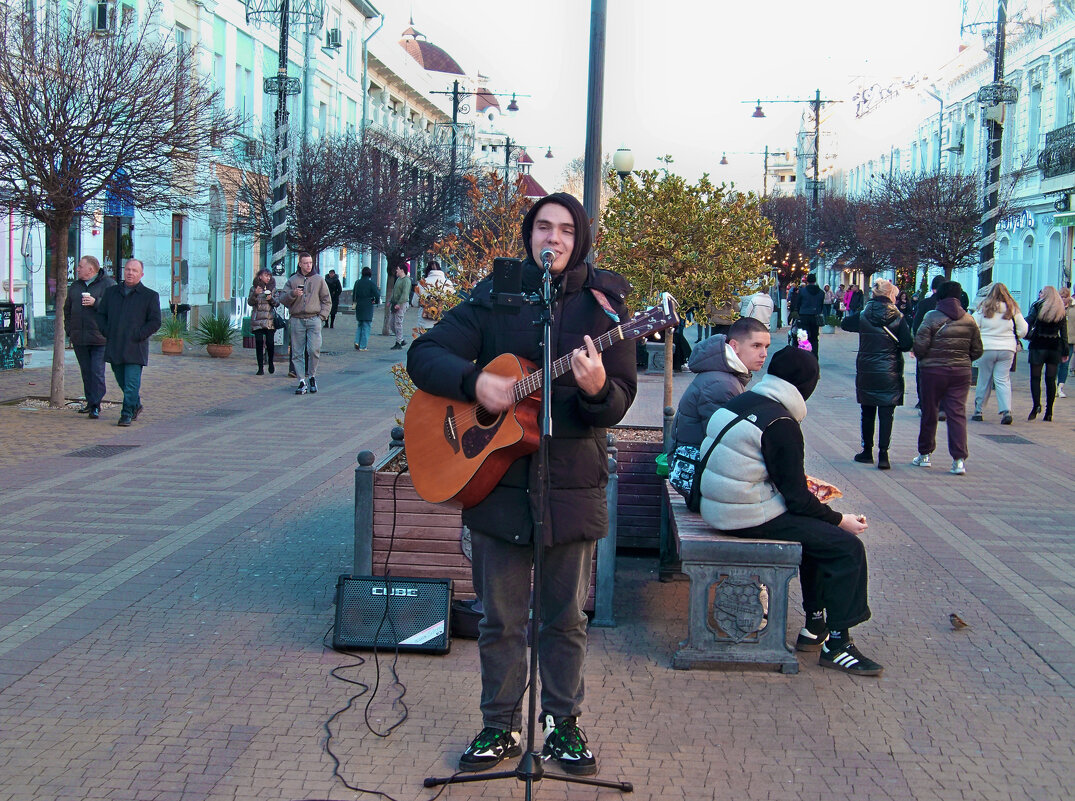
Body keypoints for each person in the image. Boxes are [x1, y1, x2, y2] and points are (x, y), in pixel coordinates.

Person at [407, 192, 637, 775]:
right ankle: (499, 725)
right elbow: (424, 354)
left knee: (566, 618)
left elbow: (617, 404)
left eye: (564, 229)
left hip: (572, 486)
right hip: (497, 487)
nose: (552, 238)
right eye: (542, 227)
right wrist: (473, 382)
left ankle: (562, 724)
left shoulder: (606, 310)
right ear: (529, 235)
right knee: (500, 618)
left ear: (579, 239)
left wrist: (594, 389)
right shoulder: (494, 297)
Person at [697, 346, 881, 676]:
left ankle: (814, 626)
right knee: (845, 548)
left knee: (816, 535)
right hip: (742, 515)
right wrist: (841, 520)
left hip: (720, 505)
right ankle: (838, 644)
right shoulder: (781, 422)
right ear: (805, 386)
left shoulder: (744, 401)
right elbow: (795, 498)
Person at [668, 317, 771, 455]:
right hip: (697, 470)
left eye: (766, 347)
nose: (764, 354)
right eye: (756, 346)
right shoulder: (722, 384)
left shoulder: (726, 375)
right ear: (734, 346)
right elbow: (723, 441)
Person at [911, 281, 983, 474]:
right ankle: (959, 460)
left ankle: (925, 455)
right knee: (957, 413)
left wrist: (926, 356)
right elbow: (977, 350)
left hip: (933, 371)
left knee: (930, 412)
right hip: (960, 372)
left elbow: (920, 346)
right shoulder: (969, 319)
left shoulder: (931, 317)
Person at [840, 279, 912, 470]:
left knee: (868, 411)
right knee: (887, 413)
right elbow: (906, 344)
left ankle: (866, 451)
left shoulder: (864, 315)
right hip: (889, 369)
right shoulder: (899, 317)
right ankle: (884, 454)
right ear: (890, 295)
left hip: (867, 369)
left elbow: (845, 323)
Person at [95, 259, 161, 426]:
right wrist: (107, 331)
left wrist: (139, 334)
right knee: (122, 381)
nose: (130, 273)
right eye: (128, 269)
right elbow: (101, 315)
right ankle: (136, 404)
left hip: (135, 347)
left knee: (132, 383)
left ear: (141, 274)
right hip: (115, 345)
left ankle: (126, 413)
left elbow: (155, 322)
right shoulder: (111, 293)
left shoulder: (149, 296)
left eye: (134, 271)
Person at [64, 255, 116, 419]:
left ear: (91, 269)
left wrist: (96, 302)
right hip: (79, 337)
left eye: (80, 266)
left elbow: (115, 307)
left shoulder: (108, 284)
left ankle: (96, 404)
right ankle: (90, 402)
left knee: (96, 372)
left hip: (100, 338)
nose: (77, 269)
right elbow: (67, 310)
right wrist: (69, 330)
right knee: (86, 372)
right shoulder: (75, 286)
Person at [971, 282, 1027, 425]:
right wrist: (1014, 337)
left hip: (987, 347)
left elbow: (973, 326)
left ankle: (979, 410)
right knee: (1003, 379)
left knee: (984, 378)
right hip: (1007, 348)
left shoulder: (983, 308)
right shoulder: (1012, 309)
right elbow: (1023, 329)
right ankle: (1006, 410)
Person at [282, 252, 330, 395]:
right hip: (297, 319)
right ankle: (301, 381)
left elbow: (327, 300)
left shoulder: (319, 280)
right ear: (300, 264)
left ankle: (312, 377)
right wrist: (292, 294)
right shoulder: (292, 280)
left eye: (310, 262)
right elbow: (282, 299)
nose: (309, 265)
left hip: (314, 318)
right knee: (297, 352)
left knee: (314, 349)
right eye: (306, 263)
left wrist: (322, 317)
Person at [1024, 285, 1070, 421]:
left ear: (1044, 294)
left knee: (1035, 378)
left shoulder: (1038, 306)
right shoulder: (1060, 309)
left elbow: (1027, 321)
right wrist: (1065, 350)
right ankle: (1049, 411)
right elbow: (1064, 333)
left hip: (1038, 345)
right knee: (1050, 380)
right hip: (1054, 346)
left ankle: (1036, 405)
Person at [911, 275, 949, 412]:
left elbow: (916, 326)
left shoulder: (925, 304)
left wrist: (917, 342)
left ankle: (923, 401)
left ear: (933, 289)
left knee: (922, 374)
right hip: (944, 345)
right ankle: (942, 404)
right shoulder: (951, 306)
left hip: (926, 345)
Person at [247, 269, 279, 375]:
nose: (268, 277)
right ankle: (260, 367)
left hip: (269, 320)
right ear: (260, 276)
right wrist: (255, 294)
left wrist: (271, 299)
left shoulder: (273, 288)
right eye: (266, 275)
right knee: (259, 343)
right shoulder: (254, 288)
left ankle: (270, 362)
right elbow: (250, 302)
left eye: (269, 275)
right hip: (258, 320)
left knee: (270, 343)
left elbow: (277, 303)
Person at [413, 260, 453, 331]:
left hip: (424, 323)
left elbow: (415, 303)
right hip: (443, 322)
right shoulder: (448, 283)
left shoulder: (422, 283)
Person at [796, 274, 825, 358]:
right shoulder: (821, 292)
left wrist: (798, 313)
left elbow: (798, 303)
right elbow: (821, 305)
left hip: (804, 315)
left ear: (807, 281)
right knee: (815, 337)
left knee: (804, 337)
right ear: (815, 281)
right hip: (815, 316)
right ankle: (814, 356)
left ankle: (805, 356)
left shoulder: (802, 291)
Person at [351, 267, 379, 351]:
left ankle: (357, 341)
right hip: (367, 305)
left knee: (360, 324)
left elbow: (354, 295)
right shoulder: (371, 283)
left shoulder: (357, 282)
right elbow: (377, 295)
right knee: (366, 325)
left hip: (359, 305)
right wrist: (376, 301)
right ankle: (363, 346)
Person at [388, 263, 411, 350]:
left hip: (402, 304)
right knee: (391, 323)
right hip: (395, 303)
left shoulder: (406, 280)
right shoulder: (398, 279)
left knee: (398, 323)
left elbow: (405, 294)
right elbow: (395, 292)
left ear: (402, 270)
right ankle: (401, 339)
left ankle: (398, 343)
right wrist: (390, 301)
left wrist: (399, 303)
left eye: (397, 269)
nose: (396, 271)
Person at [1059, 286, 1075, 397]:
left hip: (1069, 340)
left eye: (1065, 297)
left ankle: (1060, 387)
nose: (1063, 299)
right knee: (1055, 364)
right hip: (1057, 339)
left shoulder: (1073, 307)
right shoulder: (1057, 307)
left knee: (1065, 364)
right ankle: (1054, 386)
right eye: (1061, 297)